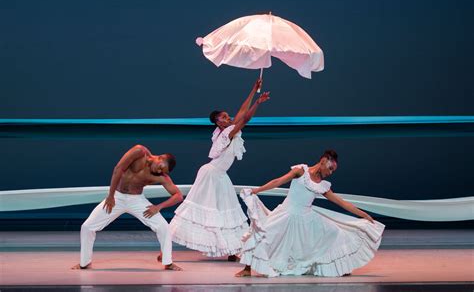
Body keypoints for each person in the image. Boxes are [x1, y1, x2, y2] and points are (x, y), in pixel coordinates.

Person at [235, 150, 385, 277]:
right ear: (324, 160)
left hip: (307, 218)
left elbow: (341, 202)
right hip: (286, 213)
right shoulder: (301, 171)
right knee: (263, 234)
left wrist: (363, 214)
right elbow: (278, 181)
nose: (330, 173)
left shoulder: (322, 185)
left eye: (333, 171)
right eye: (330, 168)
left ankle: (338, 267)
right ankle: (247, 269)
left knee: (334, 232)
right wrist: (257, 190)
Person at [169, 78, 270, 261]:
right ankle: (165, 247)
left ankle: (232, 250)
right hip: (210, 175)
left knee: (227, 211)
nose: (227, 117)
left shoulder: (227, 129)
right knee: (196, 211)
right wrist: (257, 102)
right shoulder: (226, 134)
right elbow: (245, 118)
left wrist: (253, 90)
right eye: (223, 117)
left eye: (226, 115)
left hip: (221, 176)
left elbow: (240, 112)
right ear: (218, 123)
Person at [72, 144, 183, 271]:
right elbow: (118, 169)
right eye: (161, 168)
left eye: (163, 171)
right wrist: (111, 195)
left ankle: (168, 263)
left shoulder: (160, 176)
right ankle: (84, 263)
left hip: (137, 200)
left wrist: (158, 207)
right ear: (160, 158)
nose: (160, 171)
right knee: (87, 227)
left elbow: (178, 195)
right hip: (116, 198)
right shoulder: (139, 151)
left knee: (164, 227)